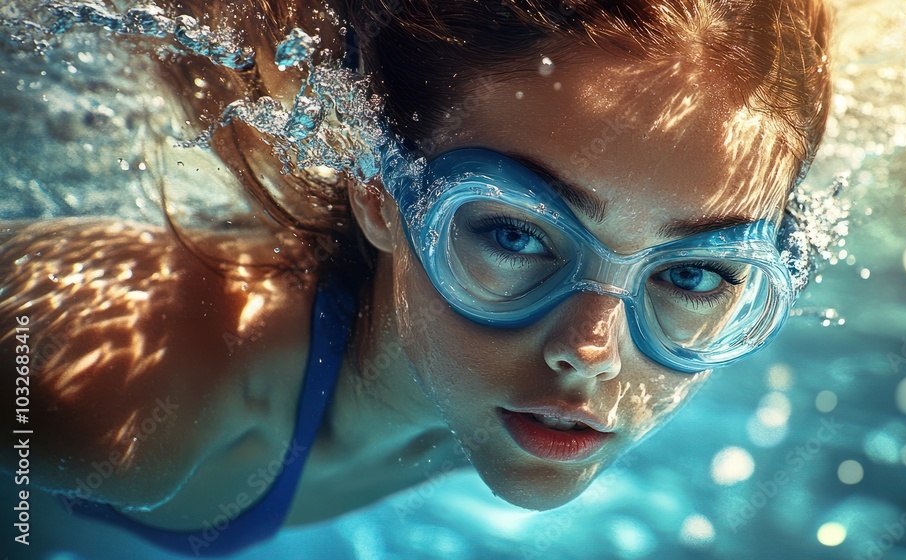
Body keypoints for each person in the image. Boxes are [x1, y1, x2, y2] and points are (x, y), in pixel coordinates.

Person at [0, 0, 831, 556]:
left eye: (693, 274)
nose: (592, 353)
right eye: (514, 231)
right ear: (377, 191)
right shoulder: (131, 388)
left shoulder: (498, 398)